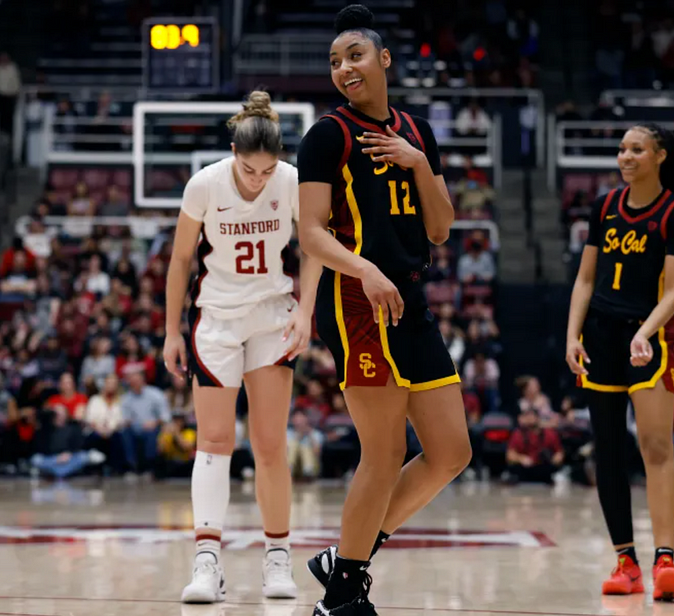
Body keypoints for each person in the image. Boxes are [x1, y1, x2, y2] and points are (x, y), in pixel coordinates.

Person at [297, 6, 472, 614]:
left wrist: (418, 163)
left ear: (384, 60)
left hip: (410, 294)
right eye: (335, 61)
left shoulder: (419, 132)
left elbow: (443, 227)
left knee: (452, 452)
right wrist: (364, 268)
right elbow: (311, 233)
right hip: (355, 299)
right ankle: (341, 593)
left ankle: (345, 556)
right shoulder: (328, 134)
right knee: (385, 452)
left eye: (355, 56)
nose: (344, 68)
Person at [162, 90, 322, 603]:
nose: (258, 179)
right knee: (212, 442)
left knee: (270, 445)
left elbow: (314, 245)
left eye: (266, 170)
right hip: (216, 321)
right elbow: (180, 260)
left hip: (271, 316)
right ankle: (207, 562)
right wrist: (169, 330)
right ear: (234, 152)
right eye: (250, 170)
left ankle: (278, 558)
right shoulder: (203, 185)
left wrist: (305, 309)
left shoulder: (293, 181)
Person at [565, 122, 674, 601]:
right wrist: (572, 335)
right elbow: (584, 280)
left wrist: (645, 331)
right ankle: (626, 563)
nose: (626, 156)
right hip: (600, 335)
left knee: (656, 447)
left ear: (660, 156)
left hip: (650, 338)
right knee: (608, 453)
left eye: (636, 149)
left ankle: (665, 560)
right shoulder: (605, 206)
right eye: (622, 149)